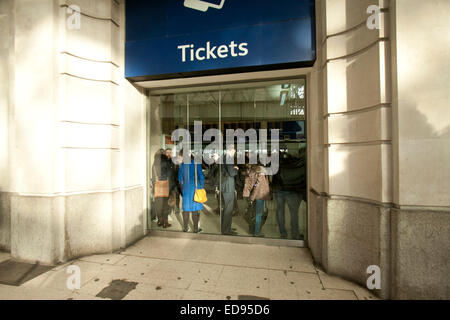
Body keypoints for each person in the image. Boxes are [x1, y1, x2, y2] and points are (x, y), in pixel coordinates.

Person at [272, 149, 306, 240]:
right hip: (291, 191)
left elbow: (274, 178)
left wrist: (274, 189)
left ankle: (283, 233)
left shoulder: (277, 164)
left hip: (279, 191)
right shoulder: (296, 164)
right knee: (294, 213)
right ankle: (295, 234)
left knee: (280, 211)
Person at [178, 150, 205, 233]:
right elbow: (201, 177)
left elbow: (180, 178)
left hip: (186, 189)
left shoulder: (182, 165)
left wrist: (183, 189)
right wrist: (201, 186)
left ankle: (185, 228)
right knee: (195, 209)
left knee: (186, 209)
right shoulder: (196, 164)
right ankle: (196, 229)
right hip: (195, 189)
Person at [243, 164, 271, 237]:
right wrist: (252, 197)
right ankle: (256, 232)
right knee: (259, 214)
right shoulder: (261, 173)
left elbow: (248, 183)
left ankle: (252, 229)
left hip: (254, 195)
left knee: (253, 213)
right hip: (259, 196)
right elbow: (257, 187)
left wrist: (247, 194)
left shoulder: (251, 171)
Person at [152, 149, 176, 228]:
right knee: (166, 205)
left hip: (157, 188)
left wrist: (154, 186)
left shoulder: (154, 164)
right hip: (166, 187)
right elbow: (170, 175)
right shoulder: (167, 163)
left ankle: (159, 221)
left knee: (158, 205)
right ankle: (165, 222)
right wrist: (172, 188)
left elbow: (153, 178)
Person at [221, 145, 239, 235]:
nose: (235, 153)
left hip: (225, 185)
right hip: (228, 186)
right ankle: (226, 230)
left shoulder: (224, 157)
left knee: (226, 208)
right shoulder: (229, 158)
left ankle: (226, 228)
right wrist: (236, 169)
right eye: (234, 151)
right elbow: (232, 173)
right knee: (228, 208)